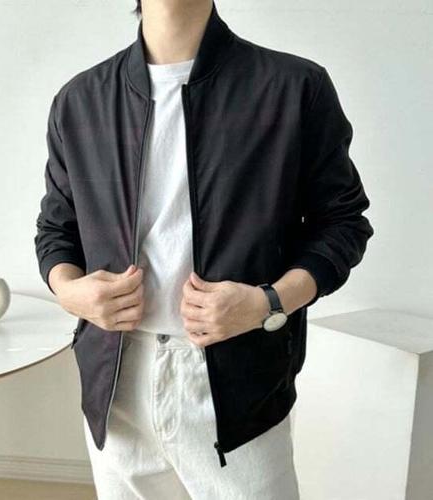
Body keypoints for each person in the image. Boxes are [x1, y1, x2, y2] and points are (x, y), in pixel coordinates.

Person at [34, 1, 374, 498]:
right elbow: (55, 230)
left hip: (240, 382)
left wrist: (268, 303)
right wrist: (70, 292)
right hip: (116, 383)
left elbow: (342, 223)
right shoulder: (80, 100)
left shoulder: (293, 87)